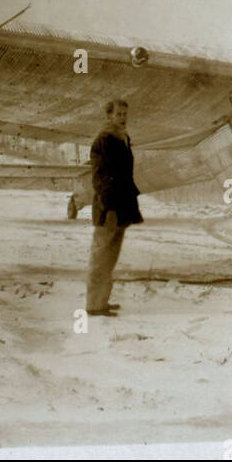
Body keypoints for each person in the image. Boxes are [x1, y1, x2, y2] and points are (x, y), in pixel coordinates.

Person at [86, 98, 142, 317]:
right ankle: (93, 305)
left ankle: (101, 301)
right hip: (109, 208)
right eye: (118, 114)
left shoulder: (122, 139)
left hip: (121, 207)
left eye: (124, 114)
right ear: (109, 116)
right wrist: (109, 207)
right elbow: (100, 178)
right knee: (101, 257)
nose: (122, 117)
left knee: (110, 257)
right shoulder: (104, 140)